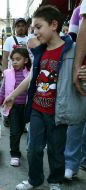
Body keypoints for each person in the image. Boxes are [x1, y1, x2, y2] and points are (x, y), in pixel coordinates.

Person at [3, 5, 73, 190]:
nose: (34, 32)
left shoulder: (70, 50)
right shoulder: (39, 52)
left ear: (53, 25)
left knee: (56, 150)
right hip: (36, 109)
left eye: (38, 27)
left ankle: (55, 181)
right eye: (33, 28)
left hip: (58, 111)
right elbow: (31, 77)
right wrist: (12, 95)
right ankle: (34, 180)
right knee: (33, 148)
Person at [0, 48, 31, 166]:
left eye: (18, 59)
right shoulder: (8, 73)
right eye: (13, 60)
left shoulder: (30, 73)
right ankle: (15, 154)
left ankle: (24, 150)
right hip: (13, 107)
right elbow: (3, 90)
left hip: (26, 107)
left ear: (25, 60)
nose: (14, 62)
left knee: (20, 130)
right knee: (14, 132)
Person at [64, 1, 86, 180]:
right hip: (83, 72)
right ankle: (71, 163)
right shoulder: (79, 9)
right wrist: (76, 68)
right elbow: (72, 38)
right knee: (76, 121)